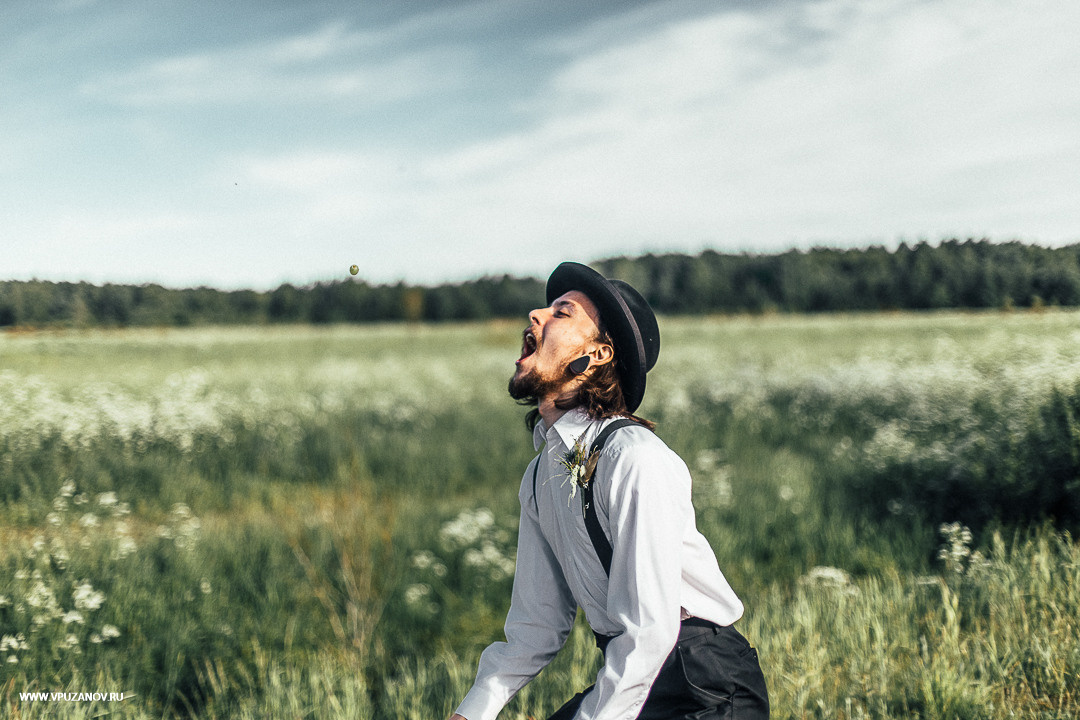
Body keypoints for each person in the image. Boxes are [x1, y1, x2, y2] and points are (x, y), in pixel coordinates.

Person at [449, 262, 769, 720]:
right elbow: (535, 628)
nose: (536, 314)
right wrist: (471, 713)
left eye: (562, 312)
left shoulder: (635, 458)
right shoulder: (539, 477)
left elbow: (650, 631)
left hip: (708, 688)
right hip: (637, 673)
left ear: (598, 354)